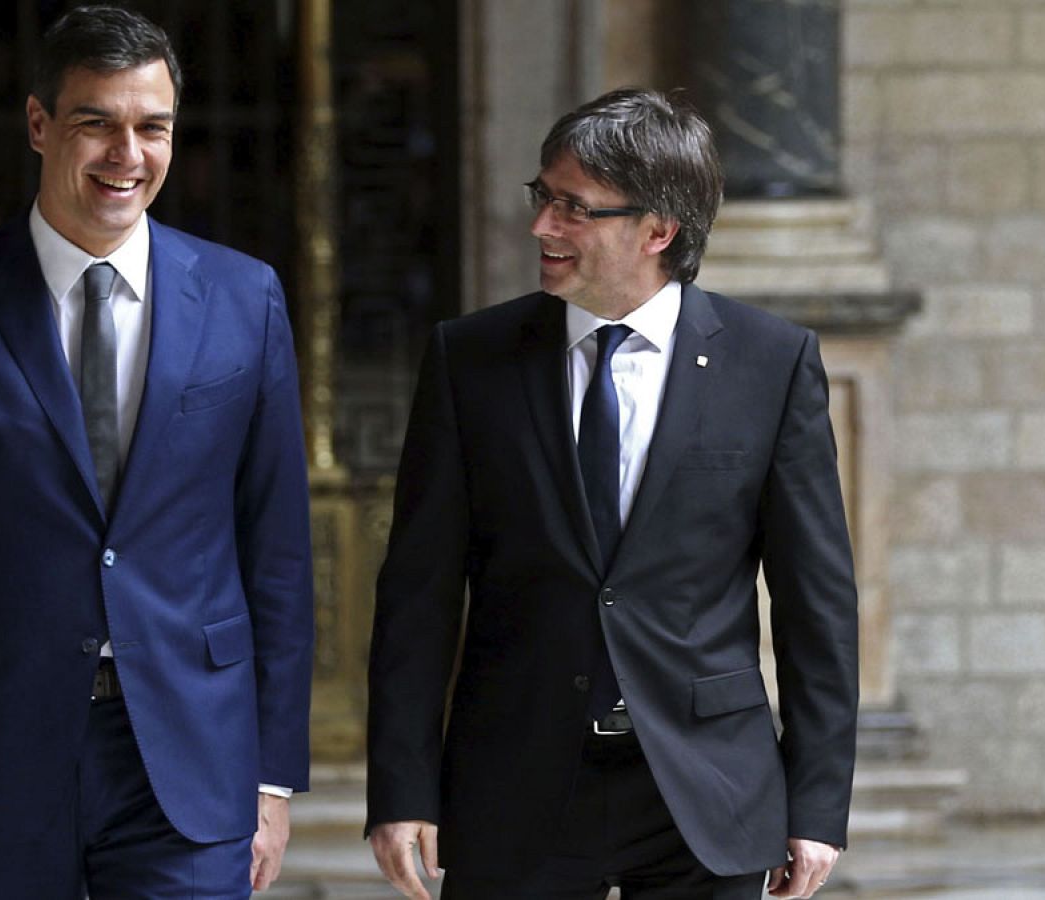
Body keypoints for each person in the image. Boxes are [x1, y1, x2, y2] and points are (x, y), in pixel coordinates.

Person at [0, 6, 314, 897]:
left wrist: (273, 774)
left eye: (152, 127)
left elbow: (276, 550)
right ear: (38, 124)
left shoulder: (247, 298)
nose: (126, 154)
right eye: (96, 122)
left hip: (191, 751)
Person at [365, 88, 859, 900]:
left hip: (705, 790)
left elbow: (818, 603)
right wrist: (403, 788)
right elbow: (416, 595)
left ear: (658, 230)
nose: (542, 228)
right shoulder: (469, 359)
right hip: (516, 781)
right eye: (543, 198)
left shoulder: (771, 364)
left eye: (574, 209)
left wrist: (816, 800)